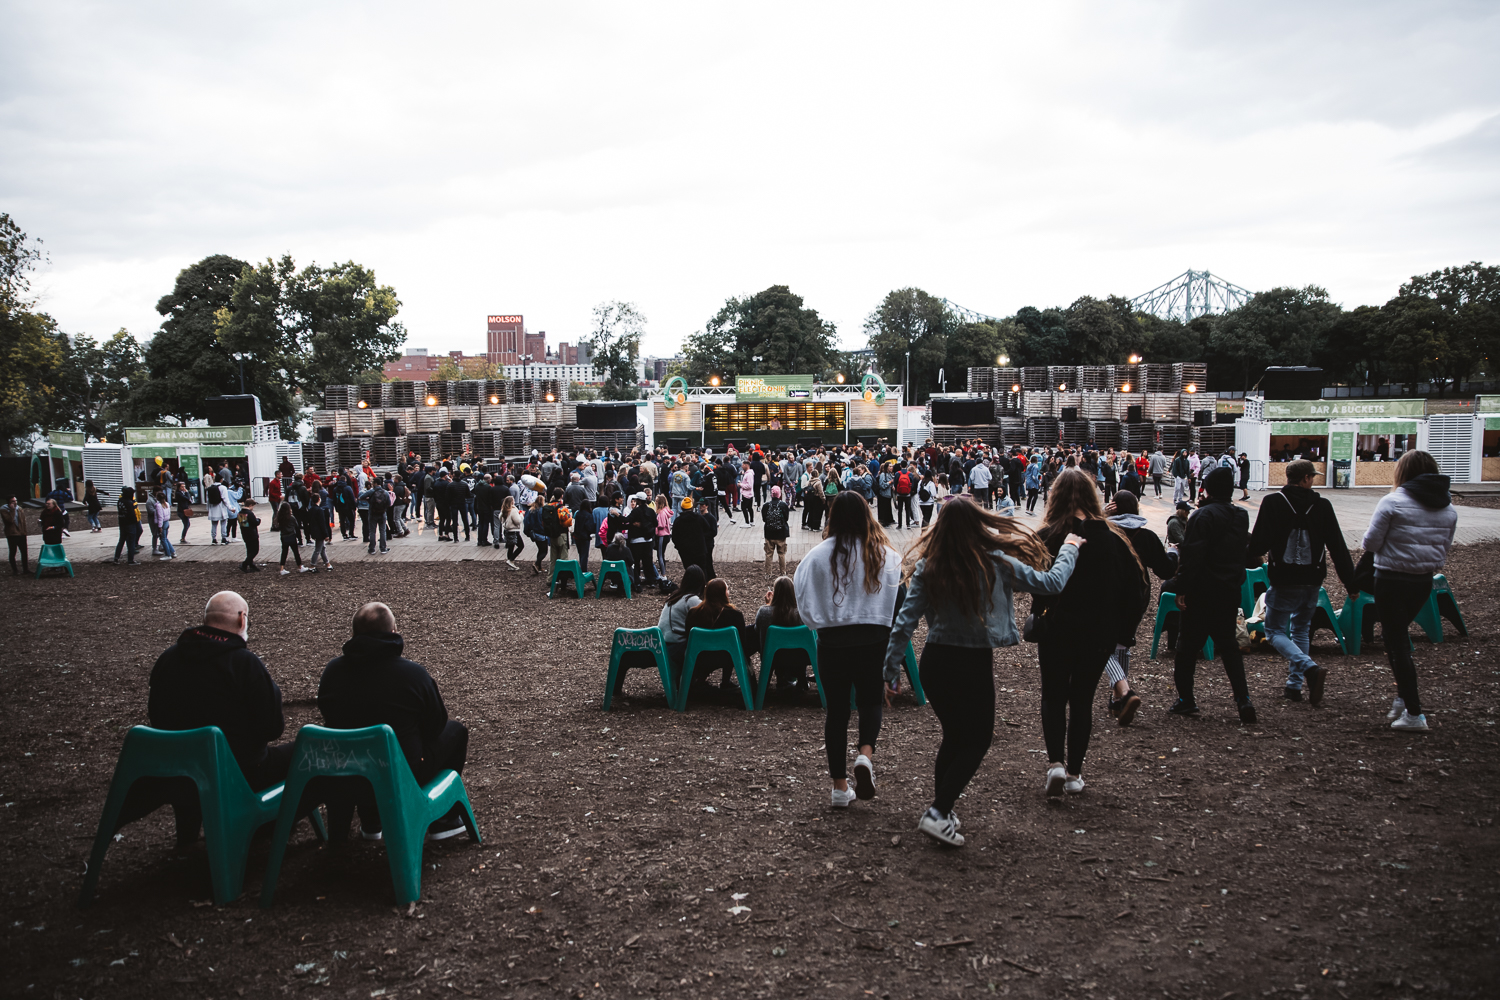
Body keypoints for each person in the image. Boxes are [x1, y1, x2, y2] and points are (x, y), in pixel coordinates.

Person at [888, 496, 1082, 847]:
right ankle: (937, 812)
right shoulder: (995, 563)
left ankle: (942, 812)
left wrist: (889, 670)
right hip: (972, 663)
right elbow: (1052, 583)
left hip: (935, 663)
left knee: (954, 737)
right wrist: (1070, 547)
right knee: (977, 741)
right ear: (979, 524)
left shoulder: (930, 565)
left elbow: (905, 622)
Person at [115, 592, 291, 847]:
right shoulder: (243, 664)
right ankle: (264, 828)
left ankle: (188, 838)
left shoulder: (169, 657)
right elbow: (272, 728)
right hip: (238, 772)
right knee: (305, 755)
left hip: (177, 769)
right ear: (243, 620)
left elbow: (158, 716)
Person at [1033, 469, 1149, 797]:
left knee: (1053, 696)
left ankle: (1055, 762)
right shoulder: (1113, 539)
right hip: (1098, 633)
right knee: (1082, 699)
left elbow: (1036, 585)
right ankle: (1074, 773)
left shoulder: (1047, 535)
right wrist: (1124, 632)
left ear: (1054, 496)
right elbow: (1135, 590)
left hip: (1055, 627)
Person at [317, 602, 471, 840]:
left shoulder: (332, 672)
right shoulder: (412, 675)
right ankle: (444, 819)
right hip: (401, 773)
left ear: (354, 635)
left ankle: (371, 820)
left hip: (346, 771)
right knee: (456, 732)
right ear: (393, 633)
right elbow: (435, 726)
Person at [793, 492, 903, 809]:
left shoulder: (815, 557)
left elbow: (804, 602)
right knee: (871, 703)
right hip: (875, 639)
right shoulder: (886, 556)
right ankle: (865, 754)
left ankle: (840, 788)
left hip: (832, 642)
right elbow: (901, 602)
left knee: (837, 713)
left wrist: (821, 621)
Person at [1245, 459, 1357, 705]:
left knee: (1274, 631)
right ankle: (1294, 685)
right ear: (1305, 478)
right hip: (1312, 581)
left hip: (1284, 579)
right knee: (1301, 629)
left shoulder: (1273, 502)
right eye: (1312, 477)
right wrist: (1351, 583)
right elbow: (1337, 546)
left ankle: (1309, 669)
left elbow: (1259, 545)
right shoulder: (1322, 506)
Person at [1360, 450, 1457, 731]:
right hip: (1422, 580)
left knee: (1397, 643)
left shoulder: (1392, 502)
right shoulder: (1448, 508)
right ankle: (1403, 699)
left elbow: (1371, 542)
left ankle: (1414, 713)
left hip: (1390, 579)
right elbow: (1444, 550)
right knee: (1397, 638)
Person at [1166, 466, 1255, 723]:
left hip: (1202, 591)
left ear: (1207, 488)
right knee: (1229, 647)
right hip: (1229, 589)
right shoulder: (1241, 516)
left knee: (1187, 648)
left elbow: (1193, 556)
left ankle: (1186, 699)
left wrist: (1182, 587)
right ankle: (1243, 698)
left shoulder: (1202, 516)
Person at [1102, 490, 1178, 725]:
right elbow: (1165, 570)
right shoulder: (1146, 536)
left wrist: (1100, 515)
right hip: (1137, 595)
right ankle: (1118, 700)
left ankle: (1124, 692)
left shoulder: (1104, 532)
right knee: (1122, 643)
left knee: (1100, 644)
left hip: (1106, 593)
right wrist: (1174, 553)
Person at [683, 578, 754, 693]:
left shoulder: (693, 613)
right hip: (726, 657)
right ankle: (726, 681)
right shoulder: (735, 615)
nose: (729, 592)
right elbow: (742, 643)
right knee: (734, 645)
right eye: (727, 589)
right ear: (722, 593)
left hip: (699, 656)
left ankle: (699, 679)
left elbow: (688, 638)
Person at [755, 575, 812, 697]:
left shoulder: (764, 612)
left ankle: (782, 679)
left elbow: (758, 630)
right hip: (801, 658)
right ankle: (798, 679)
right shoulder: (802, 613)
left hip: (773, 657)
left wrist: (768, 604)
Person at [657, 566, 707, 675]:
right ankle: (696, 682)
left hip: (664, 642)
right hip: (677, 645)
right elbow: (706, 622)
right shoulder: (692, 600)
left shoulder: (675, 597)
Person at [761, 486, 791, 574]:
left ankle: (768, 573)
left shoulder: (766, 505)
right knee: (781, 554)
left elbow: (764, 519)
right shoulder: (784, 505)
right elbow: (786, 518)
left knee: (769, 554)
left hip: (769, 533)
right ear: (779, 494)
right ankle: (783, 572)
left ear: (771, 494)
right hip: (781, 533)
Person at [275, 501, 308, 575]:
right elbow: (297, 527)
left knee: (284, 552)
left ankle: (282, 568)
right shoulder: (291, 518)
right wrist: (300, 538)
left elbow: (277, 527)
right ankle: (300, 567)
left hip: (283, 536)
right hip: (291, 536)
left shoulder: (280, 518)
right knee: (296, 552)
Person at [114, 486, 143, 565]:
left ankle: (116, 558)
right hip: (130, 524)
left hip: (122, 523)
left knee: (121, 541)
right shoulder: (129, 502)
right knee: (131, 542)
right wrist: (135, 521)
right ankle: (131, 560)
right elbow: (132, 515)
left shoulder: (120, 501)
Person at [3, 496, 29, 575]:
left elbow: (23, 521)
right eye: (13, 501)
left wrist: (24, 532)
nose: (15, 502)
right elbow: (10, 520)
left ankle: (25, 569)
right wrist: (12, 510)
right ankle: (15, 570)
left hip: (21, 533)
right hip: (12, 534)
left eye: (16, 500)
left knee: (24, 551)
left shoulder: (19, 509)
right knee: (13, 551)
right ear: (9, 502)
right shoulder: (4, 510)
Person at [205, 474, 234, 546]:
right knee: (223, 524)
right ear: (221, 479)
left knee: (214, 524)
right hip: (221, 508)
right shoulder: (223, 488)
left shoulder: (209, 488)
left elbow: (208, 499)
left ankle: (214, 539)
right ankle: (224, 539)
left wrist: (208, 509)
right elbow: (225, 499)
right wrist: (230, 508)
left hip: (212, 508)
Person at [307, 493, 333, 572]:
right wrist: (326, 534)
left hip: (314, 532)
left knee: (322, 548)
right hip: (320, 533)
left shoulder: (311, 510)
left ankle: (327, 563)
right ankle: (312, 565)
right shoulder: (320, 510)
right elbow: (322, 524)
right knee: (318, 549)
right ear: (319, 499)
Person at [500, 495, 525, 571]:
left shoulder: (504, 509)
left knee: (511, 547)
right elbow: (517, 521)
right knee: (521, 546)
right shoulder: (513, 510)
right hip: (514, 531)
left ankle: (511, 563)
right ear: (511, 502)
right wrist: (521, 515)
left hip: (507, 530)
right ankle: (511, 560)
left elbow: (500, 517)